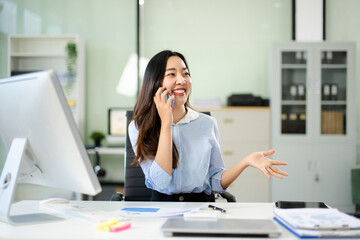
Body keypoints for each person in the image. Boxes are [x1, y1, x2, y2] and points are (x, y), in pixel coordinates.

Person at [128, 50, 288, 202]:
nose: (181, 80)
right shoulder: (138, 126)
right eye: (171, 74)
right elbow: (160, 182)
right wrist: (166, 125)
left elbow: (215, 182)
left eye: (186, 74)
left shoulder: (207, 124)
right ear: (155, 82)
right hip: (161, 207)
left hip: (200, 206)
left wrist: (246, 161)